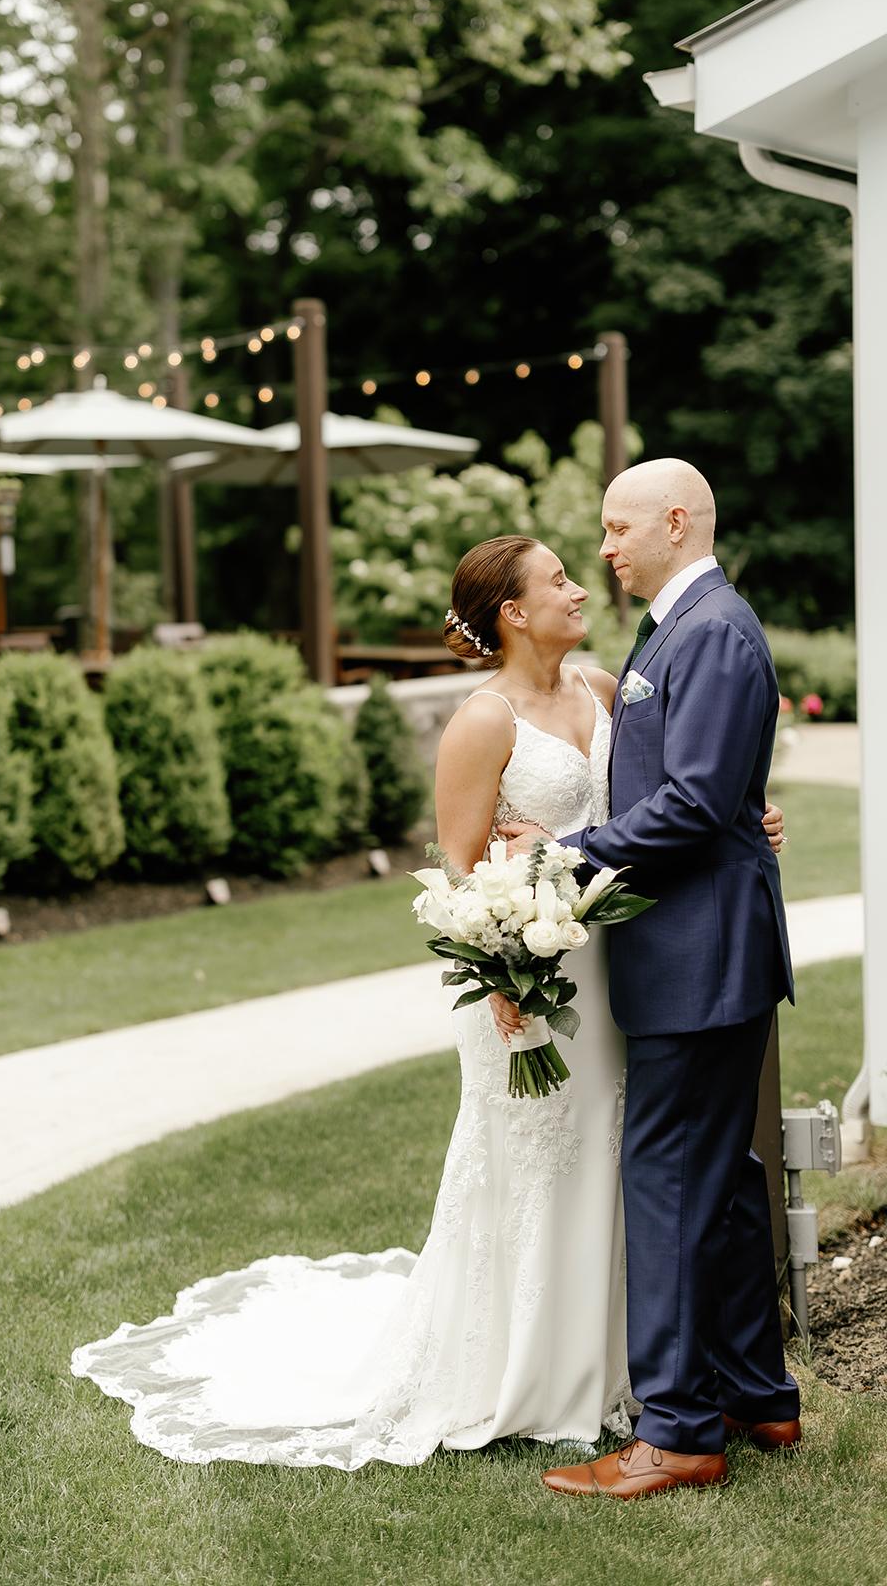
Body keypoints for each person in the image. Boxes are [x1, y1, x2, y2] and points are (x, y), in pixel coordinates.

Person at [69, 524, 786, 1467]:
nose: (580, 586)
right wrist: (499, 972)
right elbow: (457, 872)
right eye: (559, 580)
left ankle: (621, 1367)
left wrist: (745, 818)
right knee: (537, 1162)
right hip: (523, 975)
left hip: (612, 958)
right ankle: (521, 1368)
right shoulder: (483, 722)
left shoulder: (607, 689)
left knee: (620, 1159)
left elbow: (668, 801)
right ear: (514, 613)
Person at [500, 459, 800, 1501]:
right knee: (722, 1183)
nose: (606, 548)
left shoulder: (711, 629)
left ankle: (677, 1431)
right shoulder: (678, 626)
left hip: (699, 951)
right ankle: (759, 1395)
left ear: (678, 521)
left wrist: (563, 853)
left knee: (671, 1179)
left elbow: (689, 807)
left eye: (620, 527)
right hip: (699, 945)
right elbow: (711, 794)